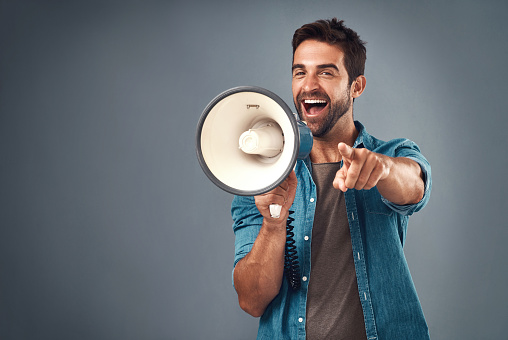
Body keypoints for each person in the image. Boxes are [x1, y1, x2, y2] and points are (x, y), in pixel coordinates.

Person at [231, 18, 432, 340]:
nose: (308, 85)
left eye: (326, 72)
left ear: (356, 86)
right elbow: (252, 300)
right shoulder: (260, 178)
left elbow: (414, 185)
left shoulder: (391, 153)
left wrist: (382, 168)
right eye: (300, 72)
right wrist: (272, 224)